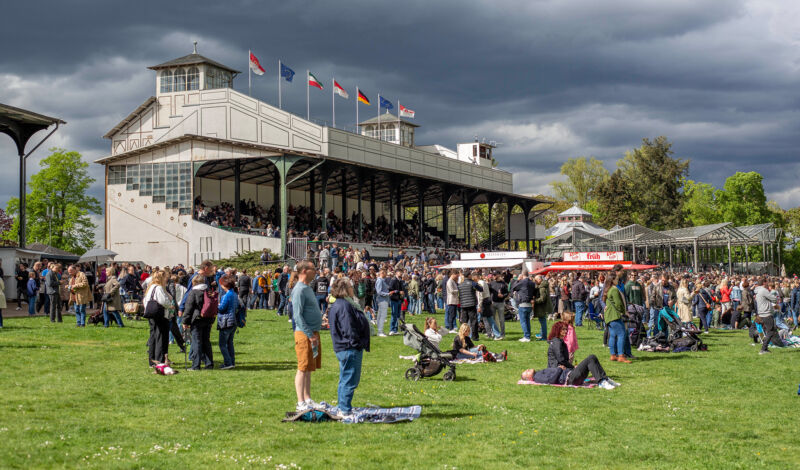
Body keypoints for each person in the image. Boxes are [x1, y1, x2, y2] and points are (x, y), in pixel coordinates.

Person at [327, 278, 371, 418]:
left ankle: (343, 406)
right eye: (352, 287)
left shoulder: (339, 304)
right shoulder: (344, 306)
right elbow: (348, 328)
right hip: (349, 347)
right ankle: (344, 409)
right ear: (346, 289)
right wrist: (356, 343)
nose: (354, 289)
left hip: (344, 346)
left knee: (345, 378)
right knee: (349, 379)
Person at [292, 260, 324, 412]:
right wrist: (309, 334)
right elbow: (297, 316)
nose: (316, 271)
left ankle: (307, 398)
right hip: (305, 334)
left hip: (312, 333)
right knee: (302, 367)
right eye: (313, 268)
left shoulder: (308, 288)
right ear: (304, 270)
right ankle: (300, 402)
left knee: (309, 367)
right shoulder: (299, 290)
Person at [182, 275, 214, 370]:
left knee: (197, 342)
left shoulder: (193, 292)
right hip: (207, 319)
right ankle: (209, 364)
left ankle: (196, 365)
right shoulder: (208, 291)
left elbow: (189, 308)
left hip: (197, 320)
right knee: (206, 342)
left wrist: (185, 322)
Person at [144, 271, 173, 366]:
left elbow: (145, 300)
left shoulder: (150, 287)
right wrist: (170, 306)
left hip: (151, 314)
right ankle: (159, 360)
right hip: (160, 314)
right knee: (161, 337)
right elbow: (163, 301)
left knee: (153, 336)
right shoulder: (159, 288)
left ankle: (152, 360)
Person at [603, 270, 631, 363]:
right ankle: (621, 355)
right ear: (613, 280)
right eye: (617, 279)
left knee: (613, 335)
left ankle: (613, 355)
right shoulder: (614, 289)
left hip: (609, 316)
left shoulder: (608, 289)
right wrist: (624, 312)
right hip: (614, 315)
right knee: (621, 334)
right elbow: (618, 304)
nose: (618, 281)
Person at [217, 274, 239, 369]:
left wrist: (216, 305)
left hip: (226, 321)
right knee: (230, 343)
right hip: (233, 321)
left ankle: (228, 362)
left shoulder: (227, 296)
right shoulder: (234, 294)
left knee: (222, 344)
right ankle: (232, 361)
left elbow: (221, 308)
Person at [754, 278, 779, 354]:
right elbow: (774, 299)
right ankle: (763, 349)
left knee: (771, 330)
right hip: (766, 313)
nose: (768, 284)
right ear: (764, 283)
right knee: (771, 331)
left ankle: (765, 347)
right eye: (767, 283)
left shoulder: (758, 290)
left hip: (762, 312)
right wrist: (772, 292)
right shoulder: (763, 290)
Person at [457, 271, 482, 341]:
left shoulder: (460, 284)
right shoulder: (472, 283)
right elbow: (481, 289)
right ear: (469, 276)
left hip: (463, 305)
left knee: (464, 322)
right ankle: (475, 337)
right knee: (473, 321)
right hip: (472, 304)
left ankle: (462, 335)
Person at [512, 273, 536, 342]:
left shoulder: (522, 282)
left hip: (523, 303)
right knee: (527, 321)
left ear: (522, 276)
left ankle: (526, 336)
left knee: (523, 321)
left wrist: (518, 280)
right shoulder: (532, 283)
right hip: (529, 304)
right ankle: (528, 335)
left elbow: (513, 287)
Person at [489, 272, 508, 340]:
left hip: (500, 303)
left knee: (501, 319)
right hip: (493, 303)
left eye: (494, 275)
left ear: (498, 275)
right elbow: (488, 292)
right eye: (493, 275)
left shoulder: (503, 284)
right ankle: (494, 333)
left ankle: (502, 334)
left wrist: (503, 295)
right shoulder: (491, 283)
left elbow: (507, 293)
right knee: (493, 319)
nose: (493, 276)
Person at [532, 274, 551, 342]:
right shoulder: (543, 286)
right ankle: (542, 334)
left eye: (536, 280)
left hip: (542, 307)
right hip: (543, 306)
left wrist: (534, 301)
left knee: (542, 321)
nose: (535, 281)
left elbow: (542, 299)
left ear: (540, 280)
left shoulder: (542, 288)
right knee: (542, 321)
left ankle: (543, 336)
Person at [374, 269, 390, 337]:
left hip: (384, 300)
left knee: (380, 315)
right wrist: (387, 294)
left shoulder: (382, 280)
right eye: (385, 273)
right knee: (382, 316)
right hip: (382, 300)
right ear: (382, 273)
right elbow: (379, 291)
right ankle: (380, 331)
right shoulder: (380, 280)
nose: (386, 274)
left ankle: (380, 330)